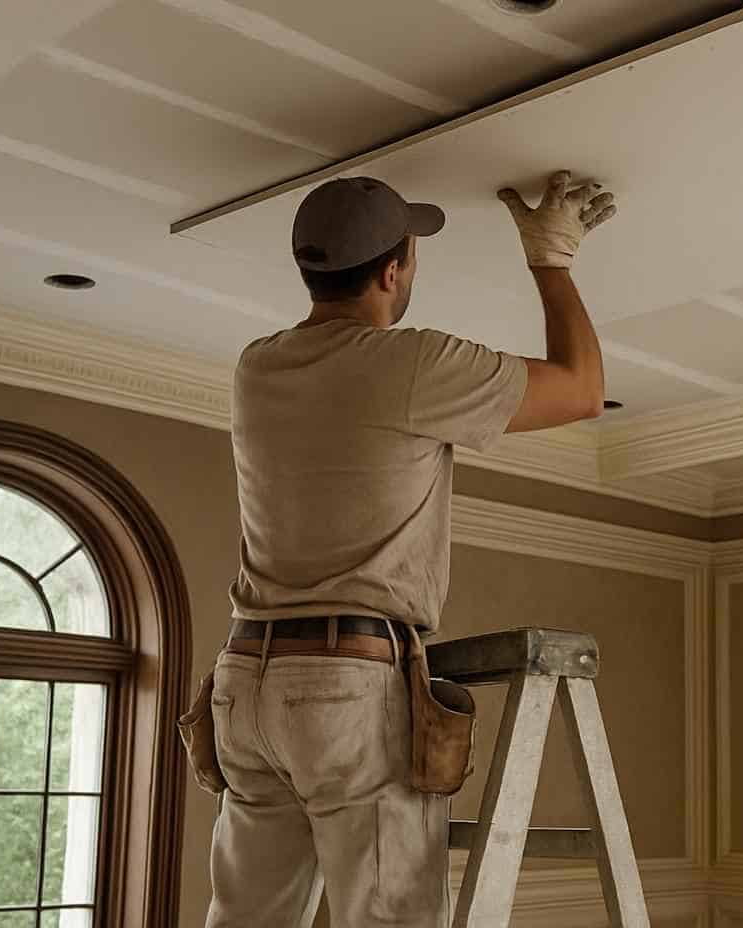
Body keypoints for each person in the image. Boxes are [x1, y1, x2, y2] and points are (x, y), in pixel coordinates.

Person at [204, 170, 617, 926]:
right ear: (393, 272)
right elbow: (582, 387)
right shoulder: (413, 364)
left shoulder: (256, 366)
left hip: (244, 685)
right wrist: (551, 261)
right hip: (344, 688)